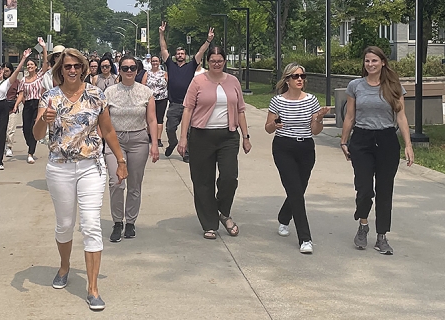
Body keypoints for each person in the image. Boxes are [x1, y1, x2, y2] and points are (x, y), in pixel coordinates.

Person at [33, 48, 128, 311]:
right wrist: (44, 118)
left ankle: (93, 288)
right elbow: (37, 132)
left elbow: (107, 129)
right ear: (60, 70)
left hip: (90, 166)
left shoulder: (96, 94)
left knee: (91, 225)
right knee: (65, 225)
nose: (72, 70)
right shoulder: (50, 97)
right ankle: (64, 267)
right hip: (60, 167)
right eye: (67, 67)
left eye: (76, 66)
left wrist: (120, 161)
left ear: (83, 68)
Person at [340, 46, 414, 255]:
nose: (370, 65)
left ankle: (382, 236)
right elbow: (350, 116)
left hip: (387, 140)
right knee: (364, 189)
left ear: (383, 62)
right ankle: (363, 224)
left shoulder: (394, 86)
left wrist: (408, 145)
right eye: (367, 61)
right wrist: (344, 141)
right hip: (362, 139)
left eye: (374, 61)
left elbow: (401, 117)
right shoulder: (356, 85)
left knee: (384, 190)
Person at [177, 47, 251, 240]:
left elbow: (241, 109)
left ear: (224, 61)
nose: (216, 64)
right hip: (202, 136)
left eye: (220, 61)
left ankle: (223, 211)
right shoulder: (198, 81)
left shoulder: (233, 81)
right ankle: (209, 223)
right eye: (213, 61)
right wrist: (183, 137)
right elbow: (187, 109)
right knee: (203, 182)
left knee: (229, 177)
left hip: (228, 136)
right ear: (207, 62)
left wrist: (246, 136)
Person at [264, 63, 329, 254]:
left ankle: (284, 217)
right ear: (287, 80)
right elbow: (267, 127)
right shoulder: (278, 101)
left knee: (298, 190)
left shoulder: (311, 101)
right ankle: (305, 239)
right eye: (295, 76)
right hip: (284, 147)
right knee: (295, 190)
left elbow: (315, 131)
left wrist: (318, 119)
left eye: (302, 76)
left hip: (306, 148)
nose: (300, 79)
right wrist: (275, 124)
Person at [104, 55, 159, 242]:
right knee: (116, 182)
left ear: (137, 70)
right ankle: (117, 222)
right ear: (119, 70)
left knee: (135, 184)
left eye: (132, 68)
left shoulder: (146, 92)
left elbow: (152, 119)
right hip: (115, 140)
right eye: (125, 68)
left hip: (138, 140)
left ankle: (130, 223)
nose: (129, 71)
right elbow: (102, 120)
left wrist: (154, 144)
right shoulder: (109, 92)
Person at [159, 22, 214, 162]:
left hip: (189, 104)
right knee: (170, 128)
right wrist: (161, 33)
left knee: (190, 131)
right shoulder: (170, 65)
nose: (180, 55)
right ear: (175, 56)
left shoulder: (191, 66)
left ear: (185, 55)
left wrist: (208, 40)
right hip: (174, 104)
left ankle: (187, 153)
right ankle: (172, 143)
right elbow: (163, 48)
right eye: (178, 53)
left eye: (182, 53)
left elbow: (201, 52)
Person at [13, 46, 47, 164]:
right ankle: (30, 144)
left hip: (37, 104)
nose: (30, 66)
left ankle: (30, 153)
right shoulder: (23, 80)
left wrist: (44, 48)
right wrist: (16, 105)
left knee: (34, 127)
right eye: (28, 65)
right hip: (27, 105)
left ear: (36, 67)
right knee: (26, 129)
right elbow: (21, 94)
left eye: (32, 65)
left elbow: (46, 63)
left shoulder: (40, 76)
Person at [142, 55, 168, 148]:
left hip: (162, 98)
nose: (155, 63)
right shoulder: (147, 73)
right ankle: (150, 136)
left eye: (156, 61)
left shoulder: (164, 73)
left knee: (159, 119)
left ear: (159, 62)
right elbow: (143, 85)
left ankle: (158, 138)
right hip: (150, 99)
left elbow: (168, 84)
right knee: (150, 118)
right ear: (150, 62)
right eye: (153, 61)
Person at [4, 61, 21, 157]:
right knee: (3, 129)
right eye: (4, 71)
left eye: (7, 71)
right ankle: (2, 145)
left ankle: (9, 147)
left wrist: (17, 105)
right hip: (2, 108)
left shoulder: (16, 82)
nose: (5, 73)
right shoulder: (0, 81)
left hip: (12, 107)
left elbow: (20, 94)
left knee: (11, 129)